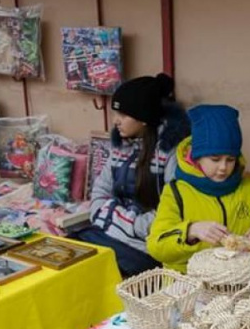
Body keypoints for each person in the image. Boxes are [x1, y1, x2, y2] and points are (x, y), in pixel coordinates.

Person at [147, 105, 250, 273]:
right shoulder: (176, 192)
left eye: (230, 159)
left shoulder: (248, 189)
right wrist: (190, 230)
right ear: (196, 157)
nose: (223, 167)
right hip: (187, 282)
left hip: (238, 279)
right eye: (215, 159)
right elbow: (156, 246)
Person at [75, 73, 190, 277]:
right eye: (115, 113)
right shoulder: (120, 146)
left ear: (145, 118)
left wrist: (127, 224)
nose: (116, 122)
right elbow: (100, 189)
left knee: (93, 274)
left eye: (124, 115)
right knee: (67, 256)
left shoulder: (171, 153)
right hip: (108, 233)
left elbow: (172, 211)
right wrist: (110, 217)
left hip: (145, 246)